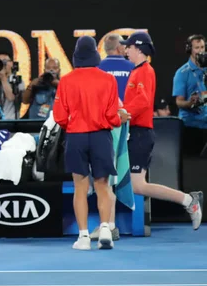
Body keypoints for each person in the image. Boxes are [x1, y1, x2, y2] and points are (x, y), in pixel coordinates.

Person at [121, 31, 203, 230]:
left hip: (140, 133)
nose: (126, 50)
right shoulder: (136, 71)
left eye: (129, 47)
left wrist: (121, 114)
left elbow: (142, 102)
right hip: (134, 132)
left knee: (137, 186)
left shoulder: (145, 71)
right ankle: (107, 224)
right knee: (129, 184)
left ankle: (187, 200)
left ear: (138, 49)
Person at [53, 36, 125, 250]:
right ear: (95, 52)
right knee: (102, 186)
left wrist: (74, 124)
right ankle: (105, 229)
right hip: (101, 137)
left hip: (76, 137)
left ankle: (83, 237)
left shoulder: (66, 80)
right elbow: (113, 116)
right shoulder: (108, 80)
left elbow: (59, 116)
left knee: (80, 187)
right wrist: (115, 120)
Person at [90, 33, 135, 241]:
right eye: (124, 47)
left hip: (102, 129)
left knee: (106, 177)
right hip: (127, 126)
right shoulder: (132, 68)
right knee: (114, 176)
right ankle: (110, 225)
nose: (126, 50)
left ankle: (110, 224)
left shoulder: (97, 71)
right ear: (118, 48)